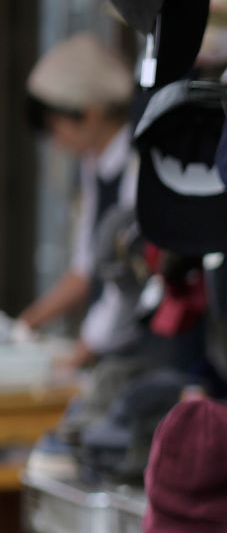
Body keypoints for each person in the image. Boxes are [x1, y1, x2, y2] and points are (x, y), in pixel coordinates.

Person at [18, 33, 141, 368]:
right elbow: (86, 267)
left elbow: (128, 276)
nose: (57, 141)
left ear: (89, 113)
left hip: (146, 347)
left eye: (56, 127)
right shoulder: (94, 166)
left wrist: (82, 350)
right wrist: (27, 323)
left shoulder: (138, 163)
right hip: (112, 344)